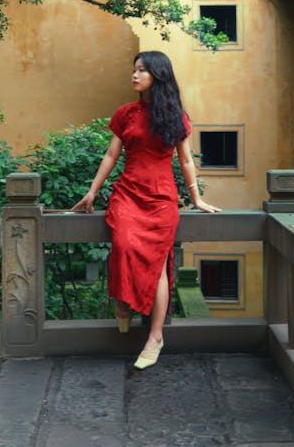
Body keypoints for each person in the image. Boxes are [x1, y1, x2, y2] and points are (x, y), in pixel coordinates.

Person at [71, 51, 220, 369]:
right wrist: (92, 192)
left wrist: (196, 198)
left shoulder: (176, 116)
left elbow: (186, 160)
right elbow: (112, 155)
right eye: (134, 70)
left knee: (157, 263)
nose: (134, 76)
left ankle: (155, 337)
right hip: (128, 195)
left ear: (158, 75)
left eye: (142, 71)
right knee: (123, 245)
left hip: (161, 199)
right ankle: (123, 304)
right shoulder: (125, 113)